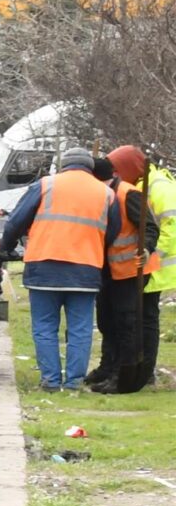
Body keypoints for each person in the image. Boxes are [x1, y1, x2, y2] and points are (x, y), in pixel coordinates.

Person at [0, 146, 115, 392]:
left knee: (45, 326)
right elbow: (112, 233)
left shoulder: (46, 185)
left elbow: (17, 219)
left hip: (44, 267)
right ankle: (73, 383)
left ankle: (50, 381)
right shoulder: (106, 193)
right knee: (80, 330)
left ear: (63, 165)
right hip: (85, 269)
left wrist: (5, 246)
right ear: (90, 167)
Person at [91, 146, 163, 393]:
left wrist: (145, 248)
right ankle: (109, 369)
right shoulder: (105, 193)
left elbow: (150, 228)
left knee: (127, 324)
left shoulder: (128, 194)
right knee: (107, 321)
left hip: (132, 270)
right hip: (110, 270)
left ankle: (124, 378)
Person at [130, 145, 176, 392]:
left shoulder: (158, 187)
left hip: (155, 265)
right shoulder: (145, 184)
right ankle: (144, 369)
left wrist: (153, 253)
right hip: (150, 263)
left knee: (147, 318)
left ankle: (147, 371)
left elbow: (171, 226)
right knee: (143, 317)